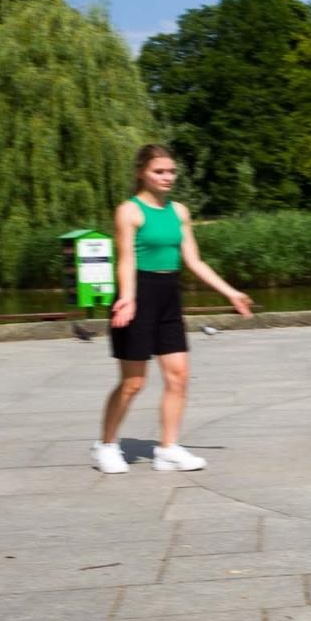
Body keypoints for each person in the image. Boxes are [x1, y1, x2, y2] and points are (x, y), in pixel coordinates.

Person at [93, 144, 252, 473]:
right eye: (159, 171)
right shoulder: (129, 211)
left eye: (171, 171)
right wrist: (128, 297)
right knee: (133, 383)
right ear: (141, 173)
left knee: (178, 377)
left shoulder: (179, 212)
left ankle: (167, 449)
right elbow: (127, 259)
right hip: (137, 294)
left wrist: (231, 292)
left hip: (168, 295)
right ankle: (107, 445)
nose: (167, 177)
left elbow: (193, 260)